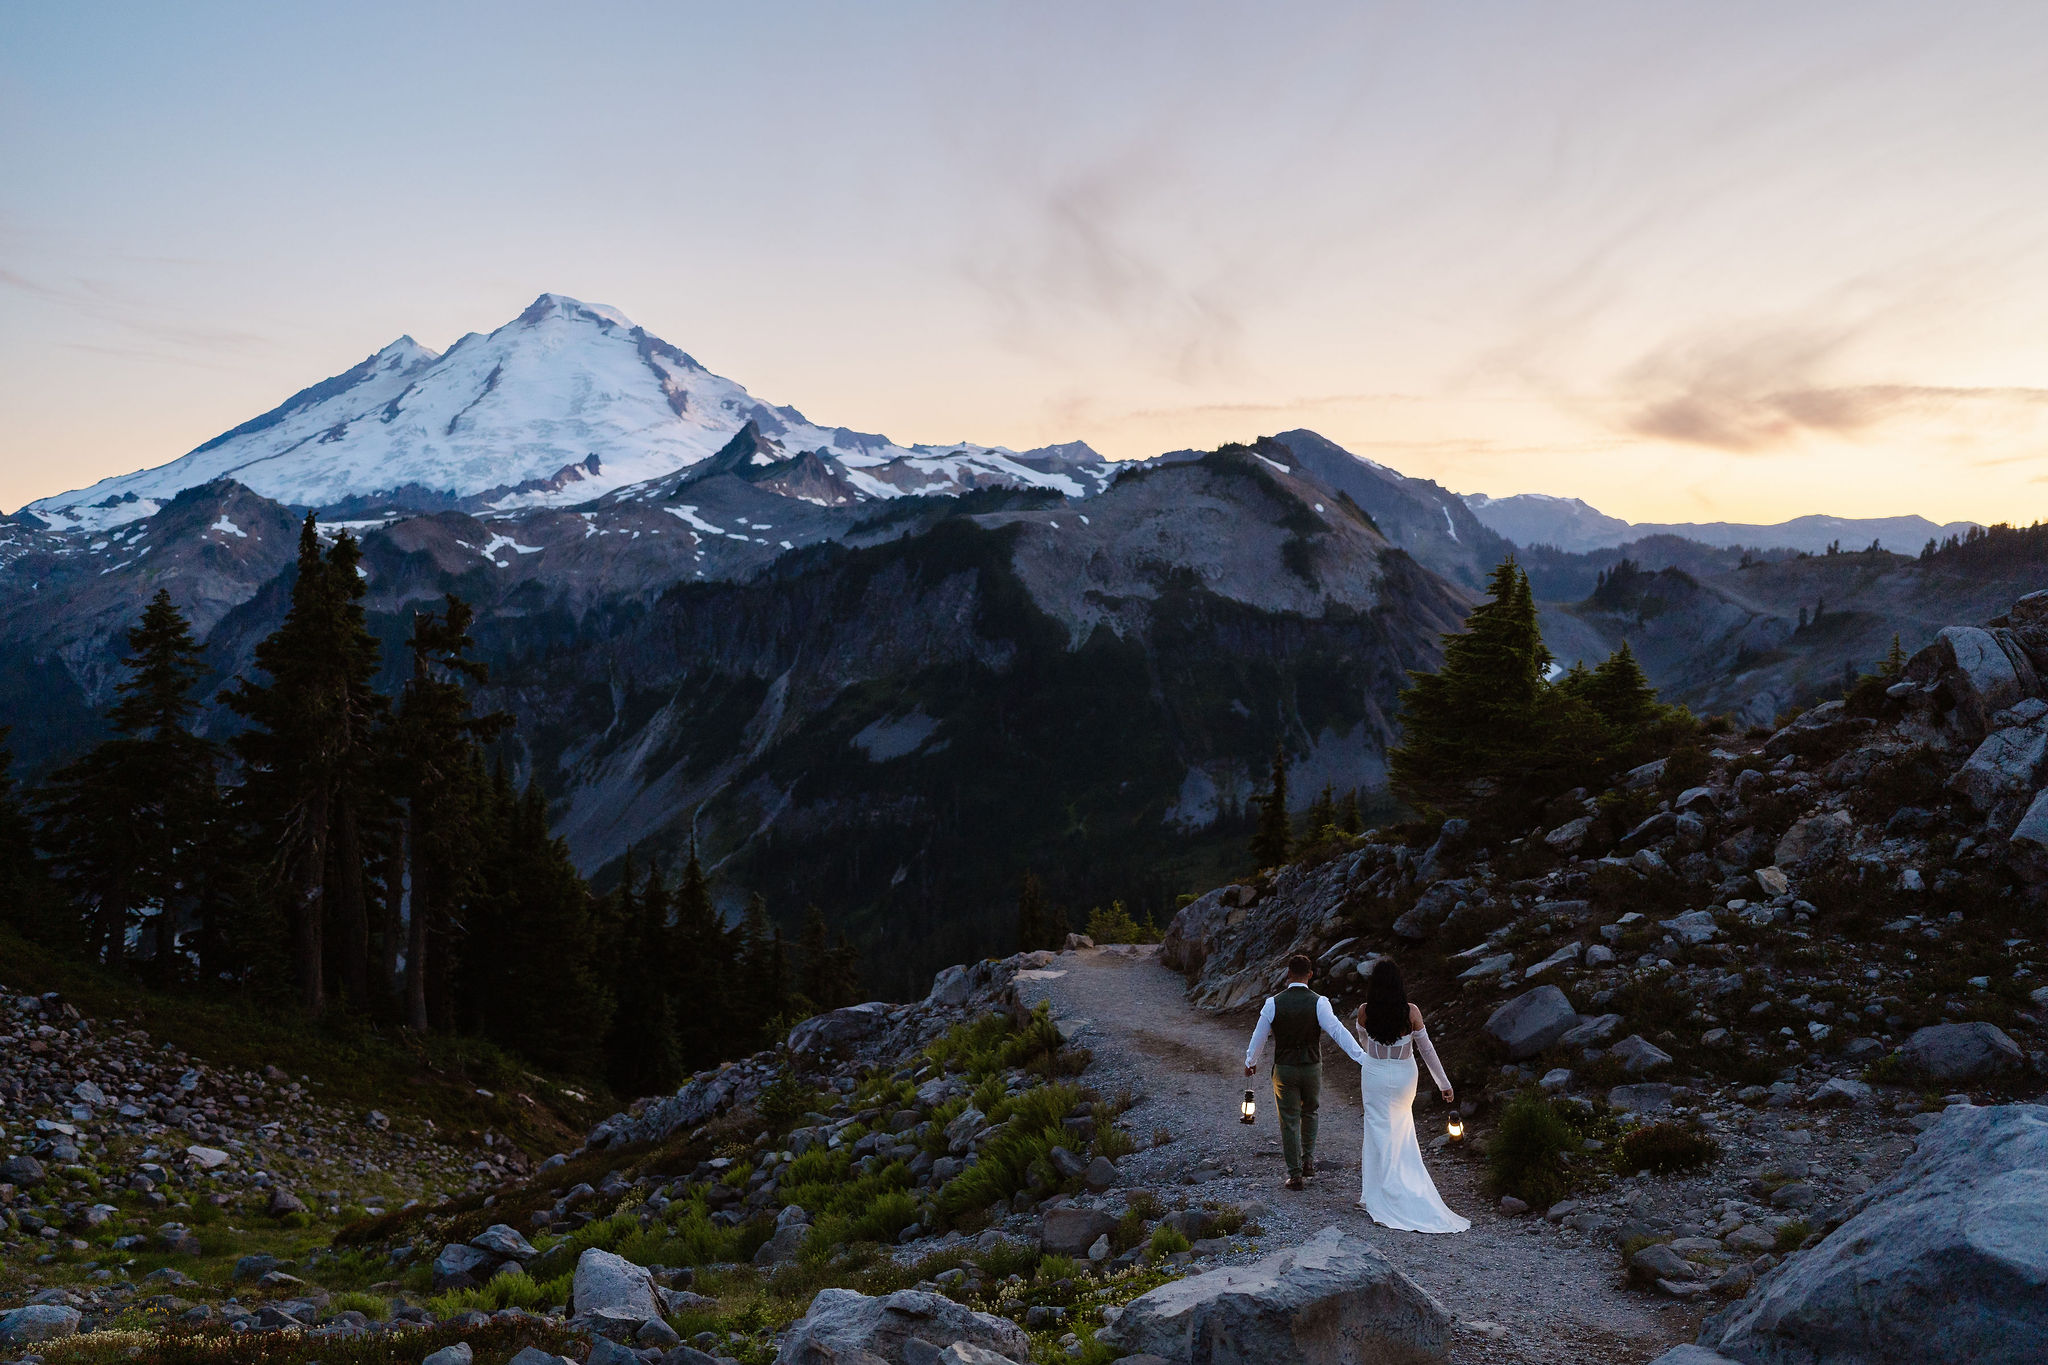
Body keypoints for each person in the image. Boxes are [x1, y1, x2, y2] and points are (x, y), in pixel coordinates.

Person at [1351, 957, 1469, 1233]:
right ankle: (1401, 1185)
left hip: (1375, 1073)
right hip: (1405, 1075)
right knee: (1402, 1129)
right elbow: (1427, 1050)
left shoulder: (1364, 1011)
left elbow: (1364, 1042)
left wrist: (1377, 1054)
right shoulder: (1411, 1012)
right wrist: (1444, 1083)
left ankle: (1375, 1193)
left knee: (1376, 1128)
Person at [1244, 952, 1368, 1191]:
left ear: (1288, 974)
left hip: (1284, 1069)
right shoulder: (1319, 1002)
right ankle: (1308, 1160)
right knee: (1310, 1112)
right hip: (1311, 1067)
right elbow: (1338, 1032)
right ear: (1310, 975)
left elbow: (1259, 1037)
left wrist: (1251, 1061)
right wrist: (1361, 1057)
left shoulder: (1273, 1003)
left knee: (1289, 1120)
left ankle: (1294, 1174)